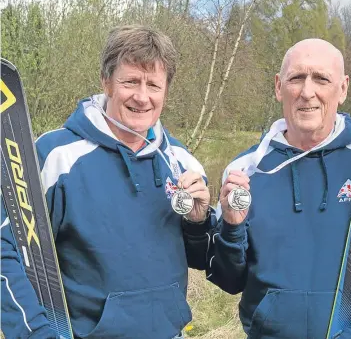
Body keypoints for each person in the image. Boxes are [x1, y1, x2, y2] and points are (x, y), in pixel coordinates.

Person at [1, 25, 213, 339]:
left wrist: (199, 222)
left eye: (153, 84)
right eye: (130, 81)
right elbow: (6, 250)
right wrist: (36, 333)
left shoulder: (182, 161)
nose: (142, 97)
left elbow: (202, 259)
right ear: (107, 83)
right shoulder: (55, 156)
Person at [206, 39, 351, 338]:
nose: (307, 91)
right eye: (296, 77)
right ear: (278, 86)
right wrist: (232, 227)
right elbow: (230, 279)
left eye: (321, 78)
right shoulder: (246, 169)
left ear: (343, 88)